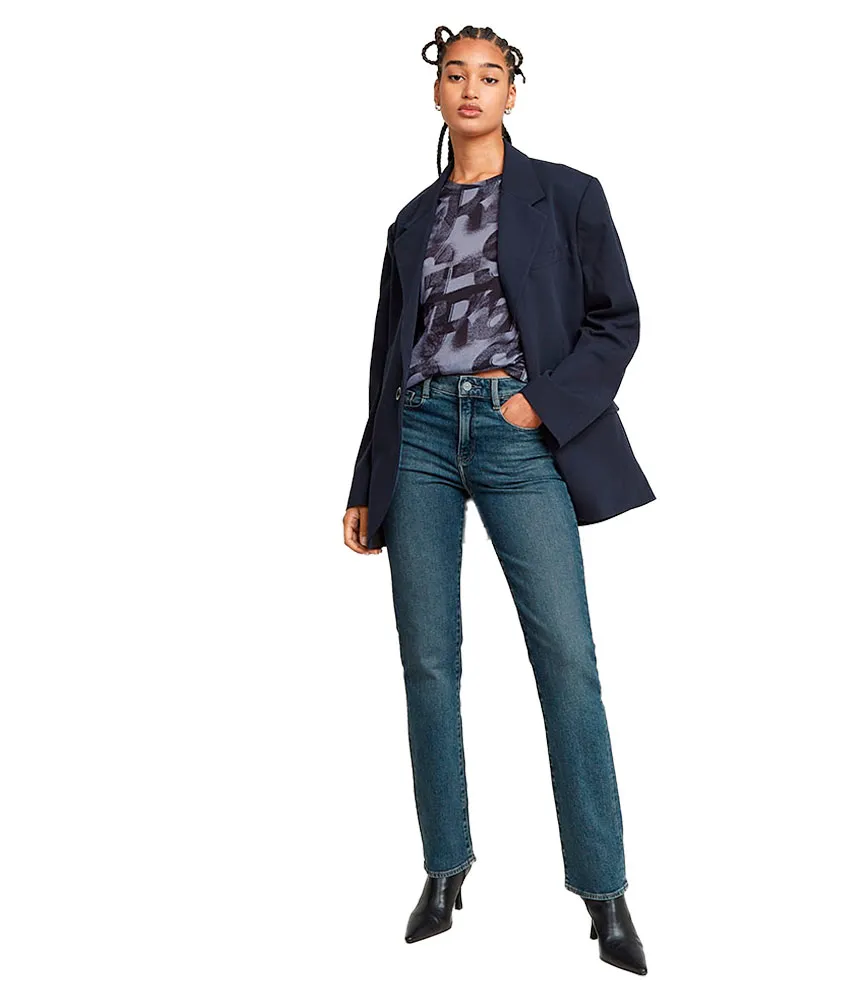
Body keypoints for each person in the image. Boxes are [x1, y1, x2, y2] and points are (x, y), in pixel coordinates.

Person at [342, 24, 654, 975]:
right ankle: (445, 867)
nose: (471, 88)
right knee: (429, 663)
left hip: (519, 433)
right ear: (437, 93)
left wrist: (540, 405)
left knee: (567, 660)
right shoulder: (410, 221)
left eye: (490, 75)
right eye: (455, 74)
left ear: (513, 93)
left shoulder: (568, 194)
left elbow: (616, 320)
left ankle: (604, 890)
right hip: (420, 437)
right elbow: (387, 355)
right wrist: (366, 478)